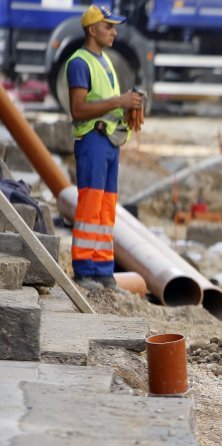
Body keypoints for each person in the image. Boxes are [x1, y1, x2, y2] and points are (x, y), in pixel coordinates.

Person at [67, 5, 142, 290]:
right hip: (92, 142)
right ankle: (84, 269)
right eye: (108, 26)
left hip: (110, 142)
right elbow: (78, 109)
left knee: (106, 207)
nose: (114, 31)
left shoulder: (105, 61)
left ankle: (102, 268)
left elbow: (108, 104)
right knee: (90, 206)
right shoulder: (79, 63)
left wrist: (128, 108)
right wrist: (120, 102)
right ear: (92, 30)